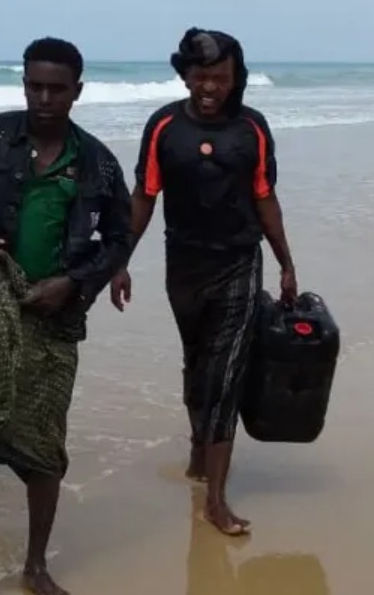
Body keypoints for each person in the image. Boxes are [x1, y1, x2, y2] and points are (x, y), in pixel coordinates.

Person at [0, 37, 132, 595]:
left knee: (44, 445)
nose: (43, 97)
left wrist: (75, 283)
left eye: (56, 88)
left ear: (76, 92)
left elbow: (120, 235)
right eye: (34, 85)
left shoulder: (97, 162)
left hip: (55, 318)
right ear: (23, 84)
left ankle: (36, 565)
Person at [108, 27, 298, 537]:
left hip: (239, 263)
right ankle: (199, 449)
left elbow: (265, 197)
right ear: (185, 76)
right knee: (198, 366)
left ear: (236, 78)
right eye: (200, 77)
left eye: (220, 77)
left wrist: (285, 262)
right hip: (184, 268)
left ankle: (216, 499)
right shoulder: (164, 126)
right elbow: (144, 196)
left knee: (226, 376)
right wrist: (119, 259)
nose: (210, 87)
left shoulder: (252, 129)